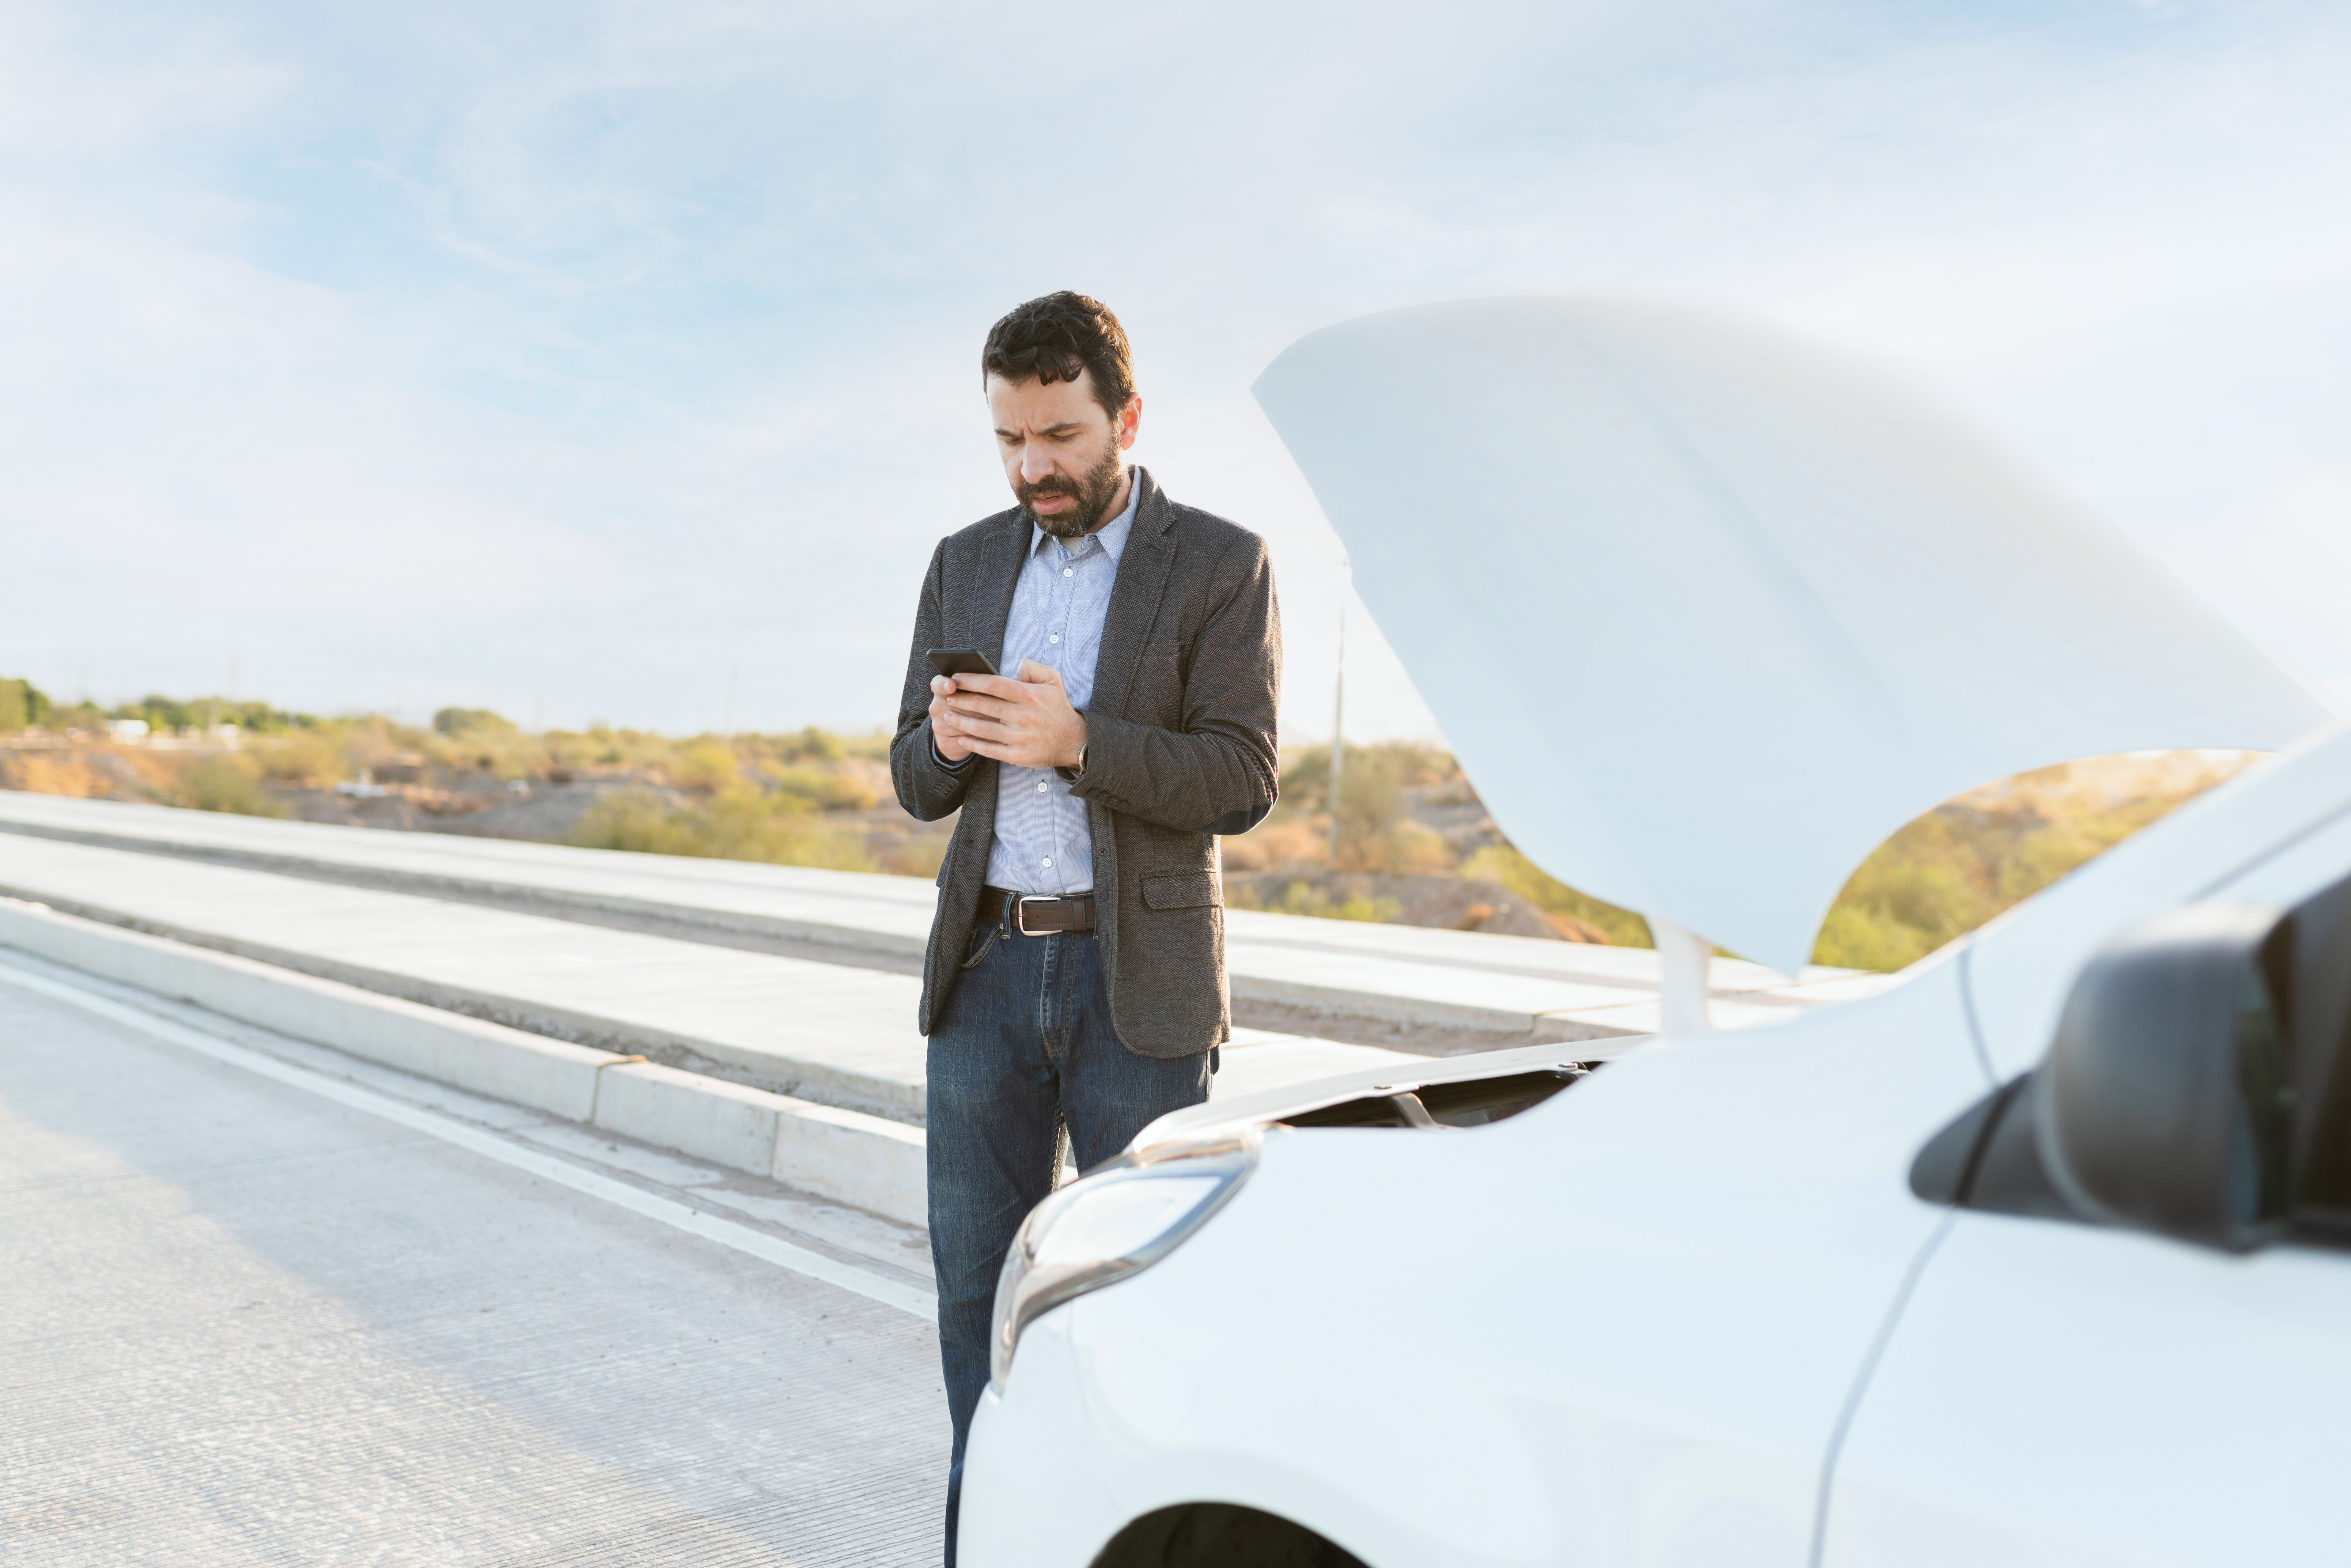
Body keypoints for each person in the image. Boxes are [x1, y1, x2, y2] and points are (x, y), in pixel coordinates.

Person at [891, 290, 1282, 1562]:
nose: (1031, 467)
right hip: (985, 979)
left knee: (1146, 1305)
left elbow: (1240, 776)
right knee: (973, 1308)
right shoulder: (963, 558)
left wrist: (1079, 745)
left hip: (1140, 987)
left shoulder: (1221, 561)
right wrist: (943, 742)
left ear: (1124, 416)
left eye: (1057, 435)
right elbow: (910, 775)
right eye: (1009, 439)